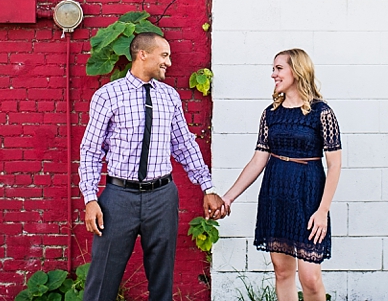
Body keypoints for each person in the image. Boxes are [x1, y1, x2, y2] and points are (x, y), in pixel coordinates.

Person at [78, 32, 226, 301]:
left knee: (161, 280)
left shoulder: (169, 96)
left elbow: (184, 145)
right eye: (164, 55)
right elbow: (91, 149)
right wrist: (90, 199)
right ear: (142, 54)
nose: (168, 62)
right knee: (102, 279)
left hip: (162, 197)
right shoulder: (108, 95)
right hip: (119, 198)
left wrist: (208, 186)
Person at [221, 48, 342, 301]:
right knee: (282, 272)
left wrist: (323, 211)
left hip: (309, 197)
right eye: (273, 68)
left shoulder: (322, 113)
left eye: (278, 68)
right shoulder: (270, 114)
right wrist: (229, 197)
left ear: (297, 71)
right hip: (276, 194)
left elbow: (335, 165)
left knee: (310, 277)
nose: (273, 74)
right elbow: (258, 160)